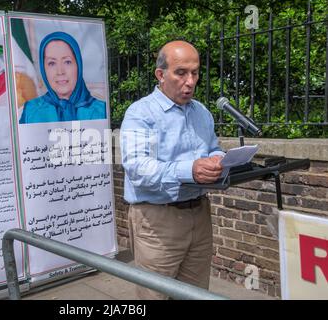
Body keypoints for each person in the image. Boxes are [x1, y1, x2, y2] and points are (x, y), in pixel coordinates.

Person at [120, 40, 225, 299]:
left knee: (196, 294)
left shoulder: (201, 112)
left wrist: (219, 159)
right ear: (161, 74)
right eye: (181, 73)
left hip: (200, 215)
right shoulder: (141, 113)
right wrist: (189, 170)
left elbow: (213, 147)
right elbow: (138, 168)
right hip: (158, 220)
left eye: (195, 72)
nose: (190, 81)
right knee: (154, 295)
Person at [19, 31, 106, 124]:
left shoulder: (101, 110)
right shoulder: (31, 110)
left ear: (78, 65)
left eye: (67, 62)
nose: (60, 72)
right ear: (43, 69)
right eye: (52, 63)